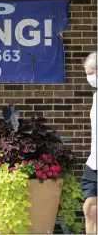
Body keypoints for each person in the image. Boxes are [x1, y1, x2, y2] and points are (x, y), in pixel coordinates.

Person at [82, 52, 97, 234]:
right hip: (94, 162)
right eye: (88, 73)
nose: (89, 77)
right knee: (91, 208)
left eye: (92, 72)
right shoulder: (96, 96)